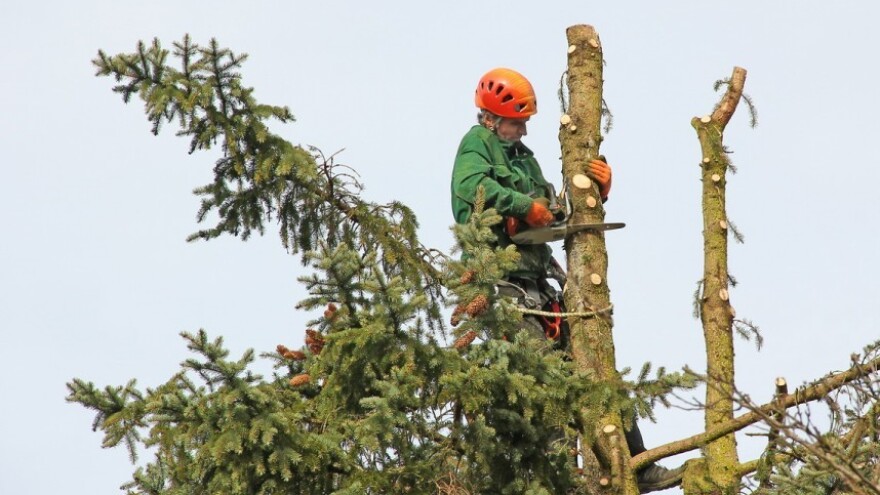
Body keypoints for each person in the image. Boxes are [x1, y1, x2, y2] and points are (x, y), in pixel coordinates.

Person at [450, 67, 683, 493]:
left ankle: (635, 465)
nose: (522, 128)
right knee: (542, 378)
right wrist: (522, 205)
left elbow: (554, 211)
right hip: (501, 285)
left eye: (523, 122)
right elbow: (470, 187)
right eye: (516, 121)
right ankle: (557, 479)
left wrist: (596, 192)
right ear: (491, 117)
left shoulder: (524, 156)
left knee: (596, 370)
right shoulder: (476, 145)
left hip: (538, 281)